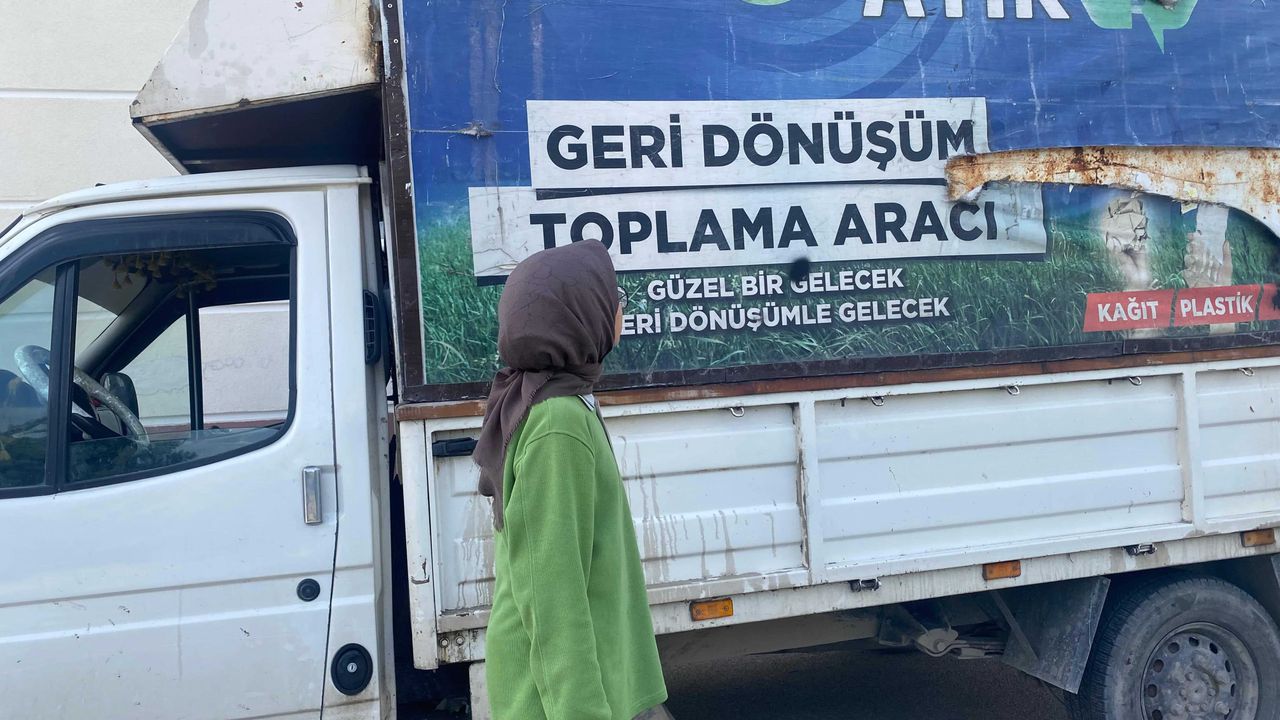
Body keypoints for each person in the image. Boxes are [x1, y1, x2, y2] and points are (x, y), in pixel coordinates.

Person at [474, 239, 671, 720]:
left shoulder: (559, 400)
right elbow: (552, 595)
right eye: (614, 298)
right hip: (558, 698)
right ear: (581, 314)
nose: (620, 309)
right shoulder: (556, 422)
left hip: (585, 680)